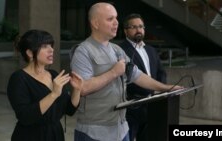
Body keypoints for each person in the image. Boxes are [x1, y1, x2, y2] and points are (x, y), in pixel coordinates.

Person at [70, 2, 183, 141]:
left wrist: (167, 88)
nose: (116, 23)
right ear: (95, 23)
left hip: (121, 129)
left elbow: (138, 76)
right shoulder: (83, 51)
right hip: (94, 132)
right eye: (110, 19)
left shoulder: (117, 50)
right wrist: (113, 73)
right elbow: (83, 88)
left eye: (116, 18)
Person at [7, 29, 83, 141]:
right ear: (29, 53)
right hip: (30, 136)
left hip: (55, 134)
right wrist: (53, 94)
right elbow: (25, 117)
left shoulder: (53, 74)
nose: (51, 50)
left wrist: (77, 90)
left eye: (51, 46)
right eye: (44, 46)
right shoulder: (18, 78)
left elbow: (70, 110)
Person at [119, 13, 167, 141]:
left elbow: (161, 72)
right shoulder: (120, 50)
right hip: (131, 108)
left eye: (141, 26)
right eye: (134, 27)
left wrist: (161, 91)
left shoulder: (150, 50)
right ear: (125, 31)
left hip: (151, 106)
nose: (138, 30)